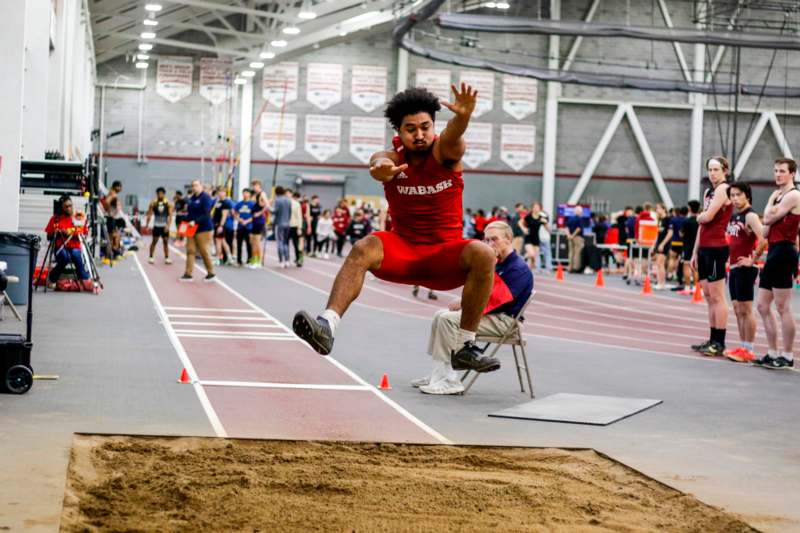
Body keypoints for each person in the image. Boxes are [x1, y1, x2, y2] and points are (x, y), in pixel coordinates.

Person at [292, 84, 498, 375]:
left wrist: (463, 117)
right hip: (403, 251)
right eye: (411, 129)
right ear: (399, 132)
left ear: (433, 127)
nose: (419, 135)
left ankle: (465, 346)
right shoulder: (390, 157)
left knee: (484, 253)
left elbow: (454, 135)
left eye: (425, 127)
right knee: (364, 247)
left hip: (443, 255)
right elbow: (378, 164)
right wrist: (382, 169)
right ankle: (327, 325)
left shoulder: (446, 151)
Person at [413, 221, 533, 394]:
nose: (489, 244)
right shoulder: (495, 262)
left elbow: (497, 300)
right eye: (486, 240)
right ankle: (438, 373)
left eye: (494, 239)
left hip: (507, 322)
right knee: (440, 314)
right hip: (494, 316)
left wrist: (464, 304)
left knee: (448, 319)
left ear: (508, 239)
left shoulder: (518, 268)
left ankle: (450, 380)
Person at [754, 158, 800, 370]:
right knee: (763, 306)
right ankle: (773, 352)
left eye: (782, 171)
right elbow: (765, 225)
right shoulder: (776, 195)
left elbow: (769, 219)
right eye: (775, 171)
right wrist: (769, 216)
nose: (778, 174)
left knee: (782, 307)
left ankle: (788, 355)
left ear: (792, 174)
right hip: (773, 250)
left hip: (784, 250)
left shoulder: (794, 195)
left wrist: (770, 216)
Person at [690, 156, 733, 357]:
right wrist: (694, 252)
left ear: (725, 170)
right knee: (708, 295)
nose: (712, 173)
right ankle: (712, 338)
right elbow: (702, 224)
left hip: (717, 247)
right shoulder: (708, 191)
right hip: (705, 247)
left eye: (716, 169)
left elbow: (707, 217)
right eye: (710, 169)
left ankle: (720, 341)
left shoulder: (724, 189)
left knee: (717, 296)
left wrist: (700, 216)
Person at [724, 182, 766, 363]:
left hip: (745, 268)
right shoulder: (735, 216)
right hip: (733, 267)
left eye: (738, 195)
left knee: (746, 310)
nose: (734, 198)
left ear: (746, 195)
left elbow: (764, 239)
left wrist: (753, 259)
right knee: (737, 309)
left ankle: (749, 349)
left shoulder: (750, 216)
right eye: (732, 195)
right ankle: (742, 346)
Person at [44, 195, 92, 291]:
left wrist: (74, 231)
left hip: (75, 246)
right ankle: (52, 278)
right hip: (60, 247)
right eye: (66, 206)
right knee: (65, 257)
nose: (69, 208)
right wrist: (59, 233)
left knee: (75, 254)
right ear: (61, 207)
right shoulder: (55, 219)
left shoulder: (78, 217)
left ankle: (85, 279)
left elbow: (85, 233)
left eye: (70, 205)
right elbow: (49, 236)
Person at [180, 180, 216, 282]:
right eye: (193, 186)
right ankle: (188, 274)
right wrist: (184, 221)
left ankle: (211, 273)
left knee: (204, 251)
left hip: (203, 228)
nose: (194, 187)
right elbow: (190, 213)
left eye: (196, 185)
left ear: (201, 186)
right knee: (190, 250)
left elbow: (207, 214)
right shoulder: (192, 198)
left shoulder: (205, 197)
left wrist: (195, 221)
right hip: (191, 228)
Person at [145, 187, 173, 265]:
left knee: (166, 242)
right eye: (158, 193)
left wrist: (168, 226)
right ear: (157, 194)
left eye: (161, 193)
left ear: (164, 194)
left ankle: (167, 257)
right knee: (154, 241)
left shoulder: (168, 203)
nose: (160, 195)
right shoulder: (153, 203)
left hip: (164, 225)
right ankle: (151, 257)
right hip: (157, 225)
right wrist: (147, 225)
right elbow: (149, 215)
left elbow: (170, 216)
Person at [249, 180, 270, 269]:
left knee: (257, 242)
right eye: (253, 186)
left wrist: (260, 213)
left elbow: (267, 205)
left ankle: (259, 261)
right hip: (254, 220)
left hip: (259, 221)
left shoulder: (262, 194)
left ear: (259, 186)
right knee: (253, 241)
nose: (254, 187)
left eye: (255, 186)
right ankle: (254, 259)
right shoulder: (255, 195)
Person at [652, 203, 672, 290]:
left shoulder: (668, 219)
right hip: (659, 243)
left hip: (664, 244)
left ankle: (662, 283)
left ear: (663, 209)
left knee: (660, 263)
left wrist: (663, 244)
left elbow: (670, 233)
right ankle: (659, 282)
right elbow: (658, 234)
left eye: (658, 208)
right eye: (656, 208)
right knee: (658, 263)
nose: (656, 210)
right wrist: (654, 244)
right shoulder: (660, 220)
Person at [271, 186, 292, 268]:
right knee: (285, 242)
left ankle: (281, 261)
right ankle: (287, 260)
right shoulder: (288, 200)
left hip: (279, 224)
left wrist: (268, 207)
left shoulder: (277, 200)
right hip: (287, 223)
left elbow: (274, 211)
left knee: (280, 242)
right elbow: (290, 212)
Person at [212, 187, 235, 266]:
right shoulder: (218, 201)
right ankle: (229, 258)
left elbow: (224, 216)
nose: (220, 193)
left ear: (225, 193)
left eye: (222, 192)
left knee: (218, 241)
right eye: (219, 192)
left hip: (220, 225)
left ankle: (217, 258)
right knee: (223, 242)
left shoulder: (226, 203)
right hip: (216, 224)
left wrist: (221, 226)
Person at [234, 189, 254, 266]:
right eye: (244, 193)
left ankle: (249, 259)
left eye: (246, 193)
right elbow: (235, 214)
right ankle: (239, 260)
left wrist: (247, 221)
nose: (245, 194)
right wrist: (239, 219)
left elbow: (254, 216)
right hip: (240, 226)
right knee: (239, 244)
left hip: (249, 226)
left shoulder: (252, 204)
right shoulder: (239, 204)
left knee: (249, 244)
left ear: (249, 194)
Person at [566, 205, 586, 273]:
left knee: (571, 252)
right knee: (578, 252)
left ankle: (570, 267)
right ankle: (575, 267)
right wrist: (573, 235)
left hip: (570, 237)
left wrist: (569, 235)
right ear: (580, 212)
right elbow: (578, 228)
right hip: (578, 237)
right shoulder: (580, 219)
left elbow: (567, 227)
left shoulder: (570, 219)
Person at [289, 191, 304, 266]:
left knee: (298, 244)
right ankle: (298, 258)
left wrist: (300, 228)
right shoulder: (293, 203)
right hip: (295, 224)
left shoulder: (301, 204)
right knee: (297, 243)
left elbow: (301, 216)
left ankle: (300, 259)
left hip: (299, 224)